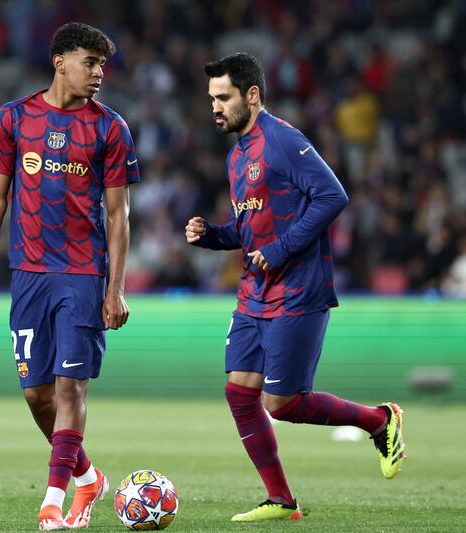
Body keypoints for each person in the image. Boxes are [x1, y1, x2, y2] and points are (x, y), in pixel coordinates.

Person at [185, 53, 406, 522]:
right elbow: (250, 232)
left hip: (298, 289)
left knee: (281, 403)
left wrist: (283, 249)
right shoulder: (237, 155)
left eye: (223, 97)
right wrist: (213, 237)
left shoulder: (283, 140)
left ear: (252, 95)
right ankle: (281, 501)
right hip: (254, 290)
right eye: (211, 99)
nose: (215, 108)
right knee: (239, 392)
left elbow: (333, 195)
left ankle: (379, 420)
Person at [0, 22, 139, 531]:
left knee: (70, 390)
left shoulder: (110, 128)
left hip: (83, 275)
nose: (99, 74)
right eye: (90, 62)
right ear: (60, 61)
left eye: (103, 65)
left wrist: (116, 287)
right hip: (28, 272)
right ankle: (87, 477)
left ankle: (52, 503)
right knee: (37, 395)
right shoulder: (14, 118)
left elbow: (118, 215)